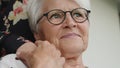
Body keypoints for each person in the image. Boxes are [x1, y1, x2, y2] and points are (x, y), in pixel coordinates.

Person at [0, 0, 91, 68]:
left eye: (78, 14)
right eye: (56, 16)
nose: (71, 23)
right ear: (37, 32)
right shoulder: (12, 64)